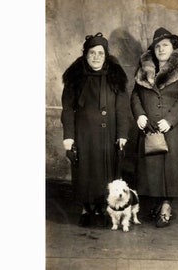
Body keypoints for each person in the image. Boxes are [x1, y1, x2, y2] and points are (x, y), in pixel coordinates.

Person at [61, 32, 130, 227]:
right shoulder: (75, 78)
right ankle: (86, 208)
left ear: (106, 55)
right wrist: (69, 138)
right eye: (92, 53)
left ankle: (102, 208)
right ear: (85, 54)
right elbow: (67, 109)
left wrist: (122, 136)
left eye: (100, 53)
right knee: (84, 172)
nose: (96, 57)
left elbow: (122, 109)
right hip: (84, 136)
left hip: (108, 136)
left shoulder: (116, 77)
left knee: (106, 173)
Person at [131, 27, 178, 228]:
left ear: (173, 47)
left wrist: (170, 120)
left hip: (172, 129)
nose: (161, 49)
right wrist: (140, 114)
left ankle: (166, 207)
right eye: (157, 46)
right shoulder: (143, 71)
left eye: (165, 45)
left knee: (171, 169)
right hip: (150, 128)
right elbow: (135, 96)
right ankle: (158, 203)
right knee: (153, 168)